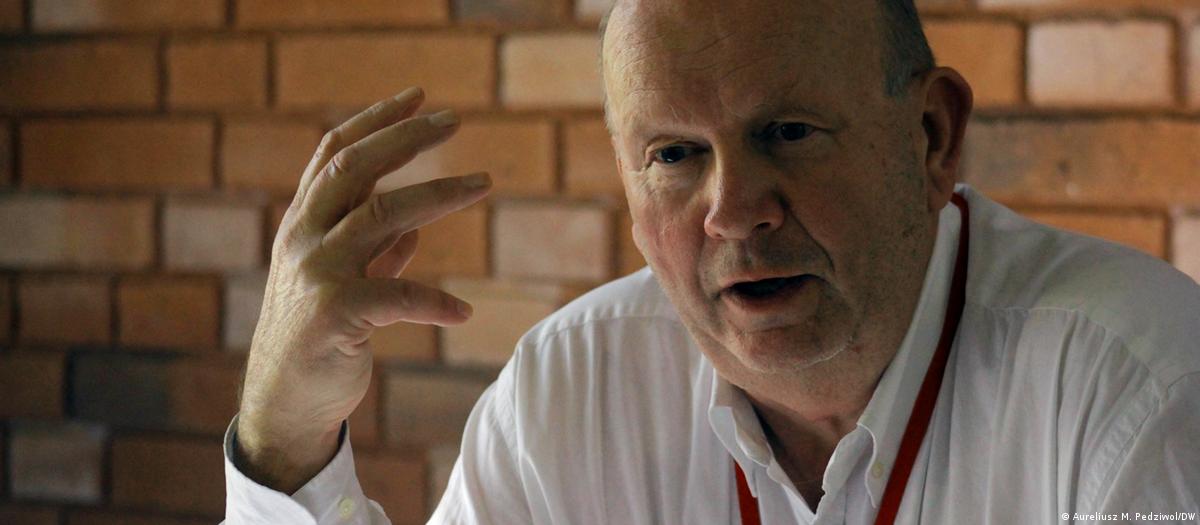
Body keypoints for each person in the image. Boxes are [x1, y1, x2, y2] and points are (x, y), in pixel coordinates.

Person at [222, 0, 1200, 523]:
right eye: (675, 155)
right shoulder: (573, 389)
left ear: (931, 136)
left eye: (789, 132)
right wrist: (285, 440)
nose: (733, 210)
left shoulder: (1139, 391)